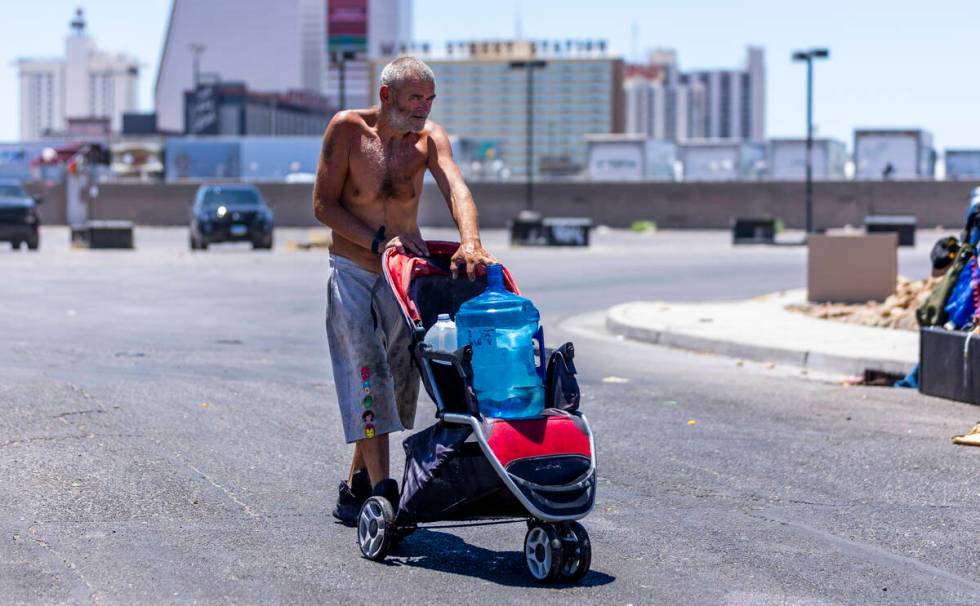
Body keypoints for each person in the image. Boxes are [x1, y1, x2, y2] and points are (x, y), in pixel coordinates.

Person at [313, 56, 496, 525]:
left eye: (430, 98)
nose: (424, 107)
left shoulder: (429, 139)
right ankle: (384, 490)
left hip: (401, 275)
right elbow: (323, 206)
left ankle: (356, 486)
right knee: (367, 371)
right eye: (416, 97)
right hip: (353, 268)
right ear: (387, 95)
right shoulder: (348, 131)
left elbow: (457, 189)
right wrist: (377, 241)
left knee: (394, 381)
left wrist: (471, 242)